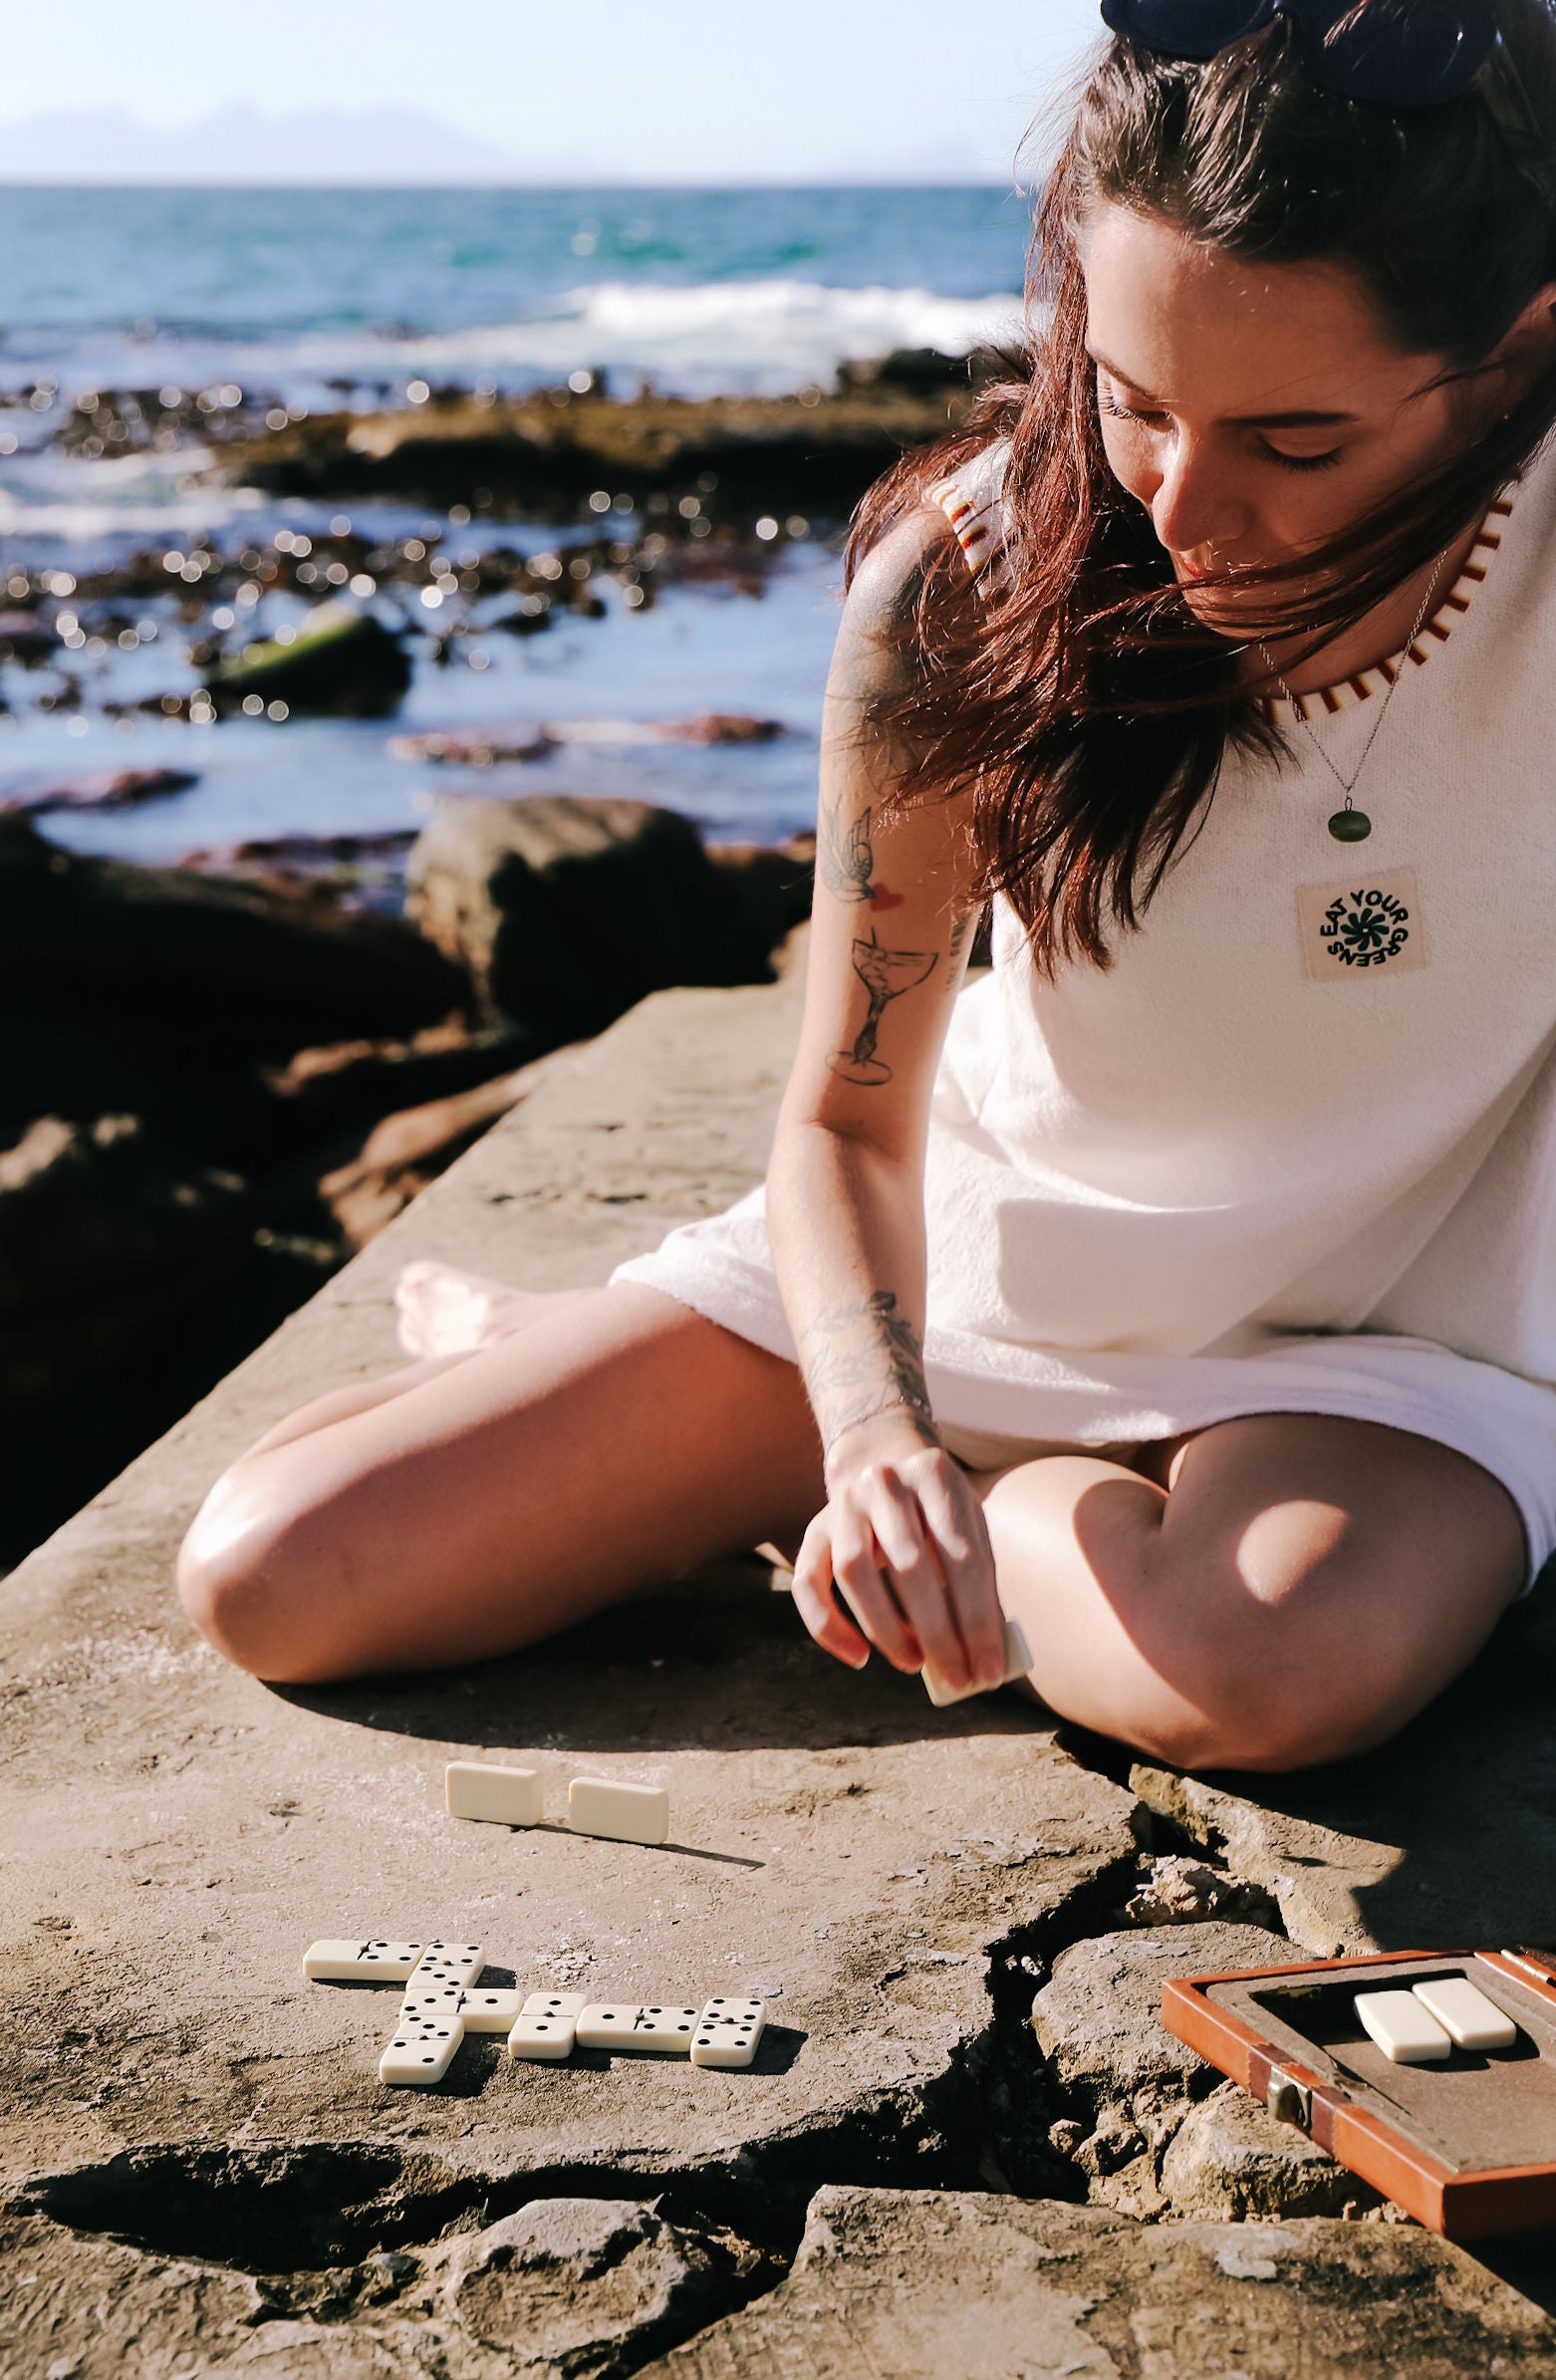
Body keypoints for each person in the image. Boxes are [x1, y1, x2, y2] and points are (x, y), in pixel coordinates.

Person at [178, 0, 1556, 1775]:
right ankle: (829, 1456)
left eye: (1296, 442)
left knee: (1266, 1670)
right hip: (974, 1281)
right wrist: (874, 1430)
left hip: (1387, 1364)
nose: (1181, 510)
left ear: (1517, 354)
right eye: (1132, 402)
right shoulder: (970, 575)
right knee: (280, 1573)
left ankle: (905, 1505)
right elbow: (846, 1118)